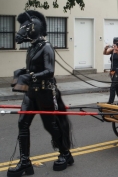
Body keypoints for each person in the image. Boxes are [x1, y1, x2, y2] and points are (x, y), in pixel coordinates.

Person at [7, 10, 73, 177]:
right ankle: (24, 162)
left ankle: (65, 153)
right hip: (31, 93)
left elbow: (49, 71)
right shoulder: (31, 48)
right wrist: (23, 72)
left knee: (50, 125)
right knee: (22, 123)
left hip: (45, 92)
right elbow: (32, 69)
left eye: (25, 27)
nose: (22, 29)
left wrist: (30, 76)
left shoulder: (47, 47)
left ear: (34, 28)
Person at [103, 37, 118, 104]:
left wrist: (117, 50)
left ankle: (110, 102)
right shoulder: (112, 50)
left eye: (116, 43)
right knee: (116, 86)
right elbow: (105, 53)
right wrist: (106, 48)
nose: (115, 44)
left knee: (112, 87)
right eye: (114, 43)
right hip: (112, 70)